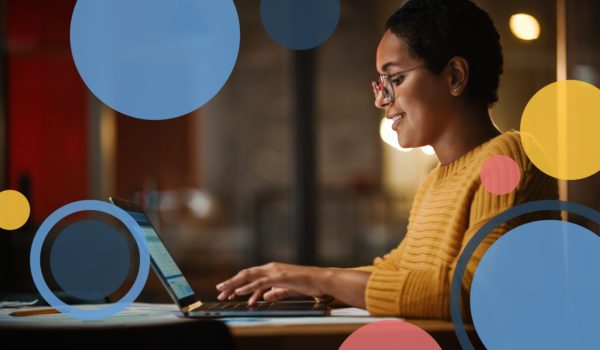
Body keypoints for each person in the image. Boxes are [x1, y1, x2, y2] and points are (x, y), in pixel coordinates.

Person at [215, 0, 558, 320]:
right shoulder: (435, 181)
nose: (382, 101)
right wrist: (309, 283)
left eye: (395, 79)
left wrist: (322, 278)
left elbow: (473, 290)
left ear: (454, 76)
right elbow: (398, 271)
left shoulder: (508, 157)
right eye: (382, 82)